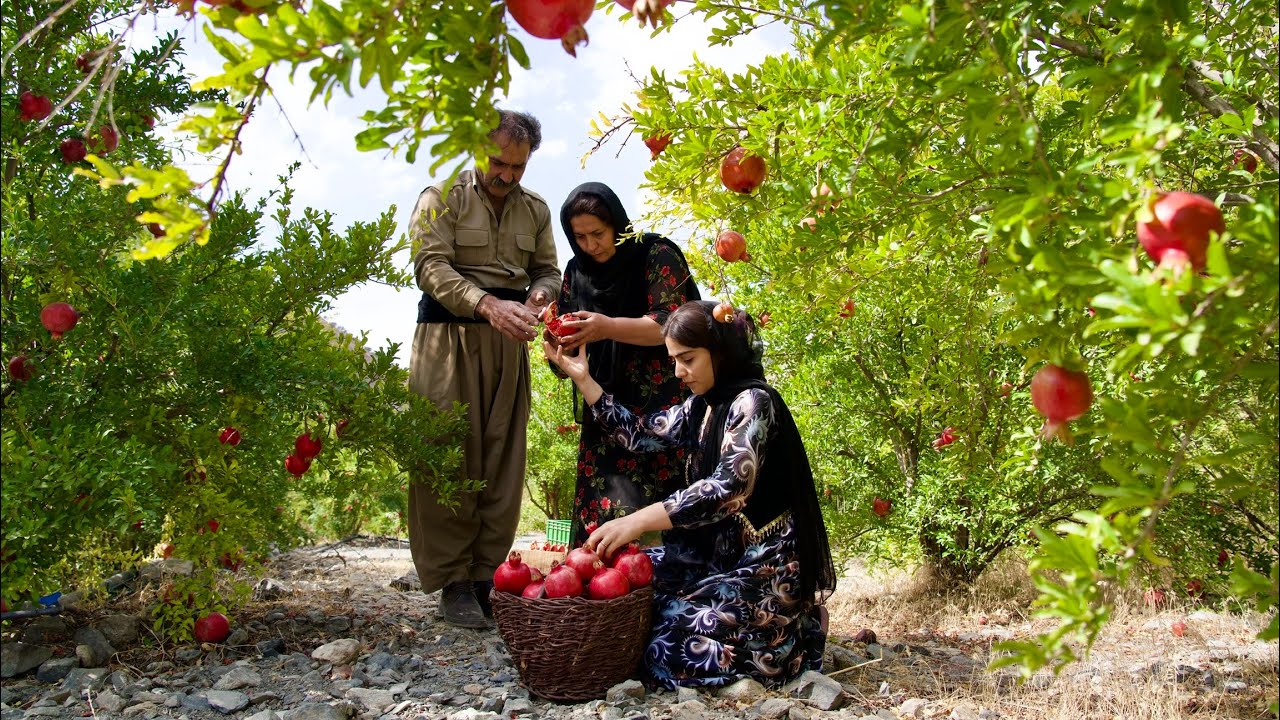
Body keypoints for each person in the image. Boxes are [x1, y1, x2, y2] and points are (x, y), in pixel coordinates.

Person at [543, 300, 837, 688]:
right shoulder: (702, 405)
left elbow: (727, 486)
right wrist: (583, 378)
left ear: (719, 351)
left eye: (688, 359)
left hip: (763, 566)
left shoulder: (754, 402)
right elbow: (643, 434)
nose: (679, 372)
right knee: (634, 588)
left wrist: (637, 520)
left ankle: (797, 629)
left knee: (663, 644)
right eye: (674, 360)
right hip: (713, 556)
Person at [407, 110, 561, 628]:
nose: (507, 175)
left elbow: (547, 270)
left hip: (509, 342)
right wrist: (486, 304)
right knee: (448, 455)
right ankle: (452, 582)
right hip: (446, 340)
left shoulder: (536, 209)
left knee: (502, 457)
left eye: (518, 166)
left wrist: (540, 296)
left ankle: (485, 577)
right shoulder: (441, 196)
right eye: (498, 162)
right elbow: (430, 266)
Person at [550, 182, 700, 545]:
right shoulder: (576, 271)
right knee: (605, 525)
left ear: (617, 223)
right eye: (579, 236)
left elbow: (671, 323)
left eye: (598, 233)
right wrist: (558, 346)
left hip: (663, 407)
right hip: (604, 408)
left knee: (667, 516)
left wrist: (607, 327)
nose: (590, 245)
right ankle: (610, 603)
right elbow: (573, 346)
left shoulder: (656, 254)